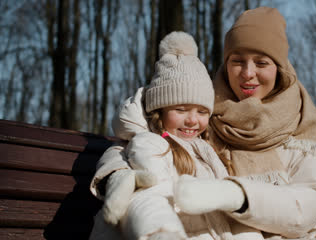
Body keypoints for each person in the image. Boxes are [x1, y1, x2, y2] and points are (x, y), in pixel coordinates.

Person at [173, 7, 316, 240]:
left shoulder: (302, 123)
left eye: (261, 63)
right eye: (237, 61)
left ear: (278, 68)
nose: (248, 73)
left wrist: (240, 196)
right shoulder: (199, 112)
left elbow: (310, 201)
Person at [89, 31, 260, 240]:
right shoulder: (147, 143)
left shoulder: (207, 150)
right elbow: (152, 195)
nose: (192, 120)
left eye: (202, 112)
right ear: (159, 110)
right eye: (181, 110)